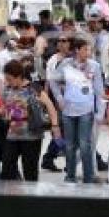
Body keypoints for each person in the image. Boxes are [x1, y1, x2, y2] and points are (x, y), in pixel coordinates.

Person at [49, 38, 105, 183]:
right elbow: (52, 80)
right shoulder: (66, 64)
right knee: (70, 145)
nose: (89, 52)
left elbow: (99, 90)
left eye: (89, 49)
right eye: (86, 49)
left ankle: (88, 177)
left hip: (86, 110)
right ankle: (70, 176)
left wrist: (100, 113)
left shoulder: (95, 66)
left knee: (85, 144)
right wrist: (59, 98)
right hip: (68, 110)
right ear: (77, 50)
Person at [0, 59, 58, 182]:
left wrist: (55, 125)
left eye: (10, 79)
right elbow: (3, 109)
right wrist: (5, 114)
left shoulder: (34, 88)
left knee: (30, 170)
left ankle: (30, 198)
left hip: (32, 135)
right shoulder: (7, 89)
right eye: (6, 79)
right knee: (7, 168)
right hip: (12, 135)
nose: (8, 82)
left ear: (19, 77)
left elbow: (50, 105)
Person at [40, 33, 72, 172]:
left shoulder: (73, 60)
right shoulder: (53, 59)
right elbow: (48, 80)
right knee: (61, 130)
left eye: (64, 41)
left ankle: (49, 158)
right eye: (59, 41)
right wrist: (46, 99)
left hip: (70, 99)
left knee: (64, 131)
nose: (61, 43)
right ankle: (54, 159)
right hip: (55, 99)